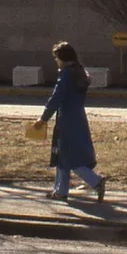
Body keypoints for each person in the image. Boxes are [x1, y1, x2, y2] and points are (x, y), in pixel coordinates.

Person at [39, 41, 106, 202]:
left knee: (69, 157)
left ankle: (95, 181)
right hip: (78, 118)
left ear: (62, 58)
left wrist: (43, 118)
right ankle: (61, 191)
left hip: (66, 119)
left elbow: (56, 98)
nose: (56, 61)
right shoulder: (79, 72)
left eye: (56, 58)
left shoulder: (66, 75)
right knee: (64, 156)